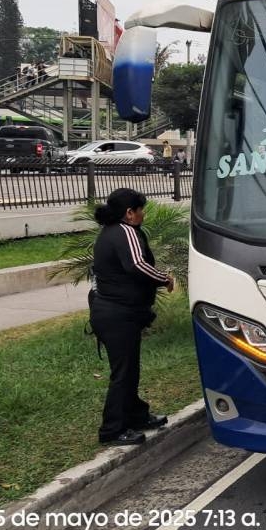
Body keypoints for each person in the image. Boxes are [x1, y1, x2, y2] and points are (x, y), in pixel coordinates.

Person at [89, 188, 175, 445]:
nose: (143, 213)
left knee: (130, 369)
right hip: (116, 314)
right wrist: (165, 278)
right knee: (123, 373)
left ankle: (137, 415)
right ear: (129, 213)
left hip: (117, 313)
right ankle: (112, 430)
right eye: (140, 209)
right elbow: (136, 265)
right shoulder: (124, 231)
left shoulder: (111, 231)